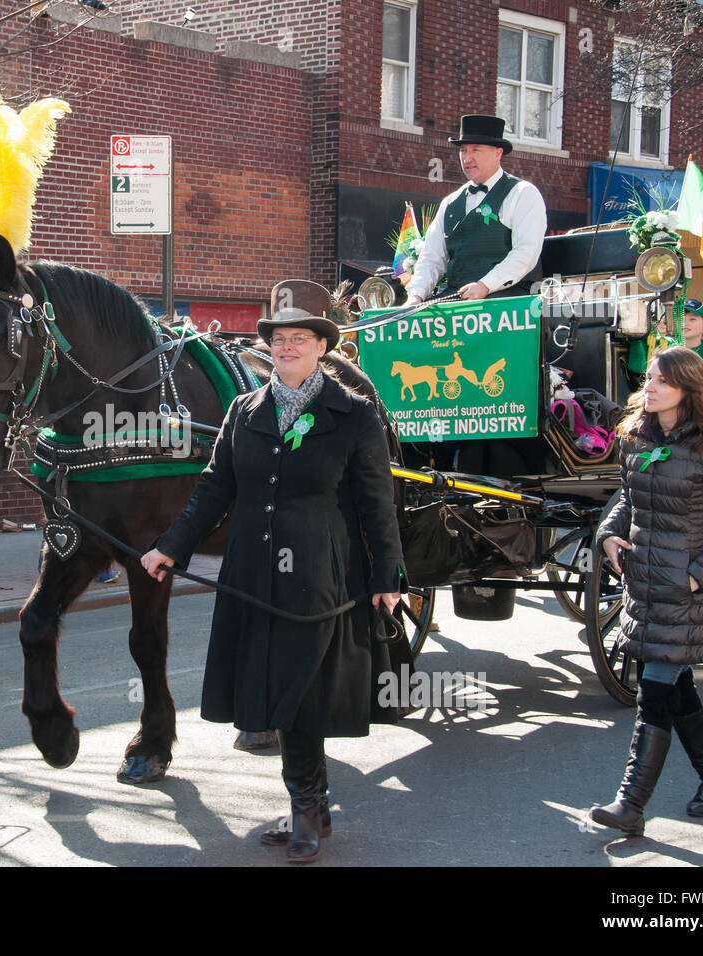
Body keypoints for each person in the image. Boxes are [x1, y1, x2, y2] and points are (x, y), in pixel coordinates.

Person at [141, 279, 405, 864]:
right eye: (279, 338)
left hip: (319, 574)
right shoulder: (244, 411)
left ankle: (307, 806)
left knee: (300, 689)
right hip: (253, 574)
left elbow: (375, 502)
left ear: (320, 345)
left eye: (299, 338)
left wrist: (387, 576)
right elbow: (214, 489)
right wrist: (171, 547)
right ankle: (312, 802)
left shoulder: (353, 414)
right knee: (271, 685)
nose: (286, 347)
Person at [592, 347, 703, 837]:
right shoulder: (637, 437)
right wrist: (608, 533)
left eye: (664, 381)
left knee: (656, 692)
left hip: (686, 591)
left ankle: (630, 804)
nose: (652, 387)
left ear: (687, 388)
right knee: (674, 687)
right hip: (644, 585)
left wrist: (696, 574)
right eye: (651, 378)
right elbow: (628, 494)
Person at [405, 114, 547, 305]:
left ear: (498, 153)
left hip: (509, 300)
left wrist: (485, 285)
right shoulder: (450, 203)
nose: (467, 158)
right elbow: (431, 258)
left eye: (475, 150)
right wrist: (416, 296)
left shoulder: (523, 194)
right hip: (458, 298)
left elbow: (526, 253)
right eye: (463, 151)